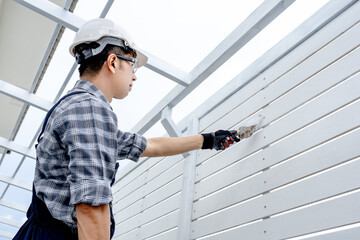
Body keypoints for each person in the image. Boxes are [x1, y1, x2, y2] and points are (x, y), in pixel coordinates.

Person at [13, 18, 245, 240]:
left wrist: (208, 140)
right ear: (113, 62)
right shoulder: (90, 110)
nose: (134, 76)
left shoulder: (75, 109)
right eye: (133, 66)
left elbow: (149, 145)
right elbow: (91, 207)